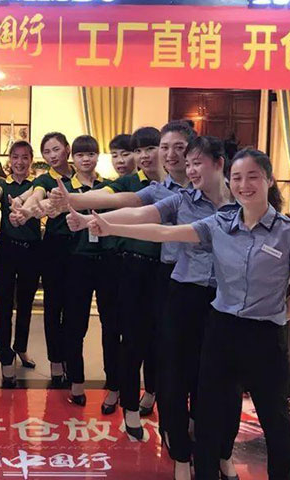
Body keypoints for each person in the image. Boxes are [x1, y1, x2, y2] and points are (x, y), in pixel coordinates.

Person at [88, 148, 290, 480]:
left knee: (275, 421)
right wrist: (109, 227)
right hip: (221, 331)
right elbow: (165, 232)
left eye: (253, 177)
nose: (244, 185)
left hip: (266, 337)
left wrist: (271, 320)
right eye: (237, 178)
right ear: (229, 181)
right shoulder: (219, 224)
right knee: (208, 416)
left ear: (268, 180)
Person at [69, 136, 242, 477]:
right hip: (182, 292)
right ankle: (181, 453)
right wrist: (101, 222)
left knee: (222, 381)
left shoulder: (241, 202)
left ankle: (220, 451)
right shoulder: (179, 198)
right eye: (187, 163)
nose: (189, 168)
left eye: (195, 161)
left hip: (227, 302)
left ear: (220, 163)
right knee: (172, 373)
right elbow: (142, 214)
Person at [50, 120, 196, 416]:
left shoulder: (200, 188)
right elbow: (119, 201)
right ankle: (125, 398)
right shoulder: (149, 189)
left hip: (181, 274)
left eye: (155, 148)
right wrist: (73, 202)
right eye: (140, 150)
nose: (149, 155)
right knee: (129, 335)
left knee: (170, 341)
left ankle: (160, 396)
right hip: (133, 267)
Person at [43, 135, 119, 411]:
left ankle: (114, 384)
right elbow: (45, 206)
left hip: (108, 261)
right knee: (75, 324)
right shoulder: (64, 189)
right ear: (72, 158)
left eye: (90, 154)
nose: (86, 159)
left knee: (111, 325)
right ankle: (76, 380)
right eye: (80, 155)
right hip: (77, 261)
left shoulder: (109, 186)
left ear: (98, 156)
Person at [10, 131, 73, 387]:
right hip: (54, 249)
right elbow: (35, 196)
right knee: (53, 307)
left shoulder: (80, 176)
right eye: (47, 152)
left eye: (56, 149)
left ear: (67, 149)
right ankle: (56, 361)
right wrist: (24, 212)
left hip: (80, 250)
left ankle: (72, 358)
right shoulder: (45, 179)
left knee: (74, 309)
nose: (52, 155)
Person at [0, 140, 41, 387]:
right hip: (6, 250)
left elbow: (38, 198)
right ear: (9, 160)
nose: (20, 162)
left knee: (25, 304)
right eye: (15, 157)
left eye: (25, 157)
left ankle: (21, 348)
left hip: (32, 252)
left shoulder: (38, 184)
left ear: (31, 160)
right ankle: (5, 357)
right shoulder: (3, 184)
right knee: (3, 305)